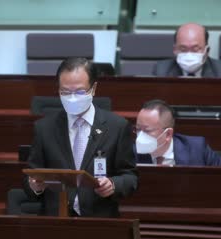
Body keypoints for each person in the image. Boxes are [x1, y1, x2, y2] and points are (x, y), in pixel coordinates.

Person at [24, 57, 138, 217]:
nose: (72, 97)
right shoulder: (44, 128)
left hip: (99, 220)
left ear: (94, 88)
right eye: (65, 92)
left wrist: (113, 184)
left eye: (79, 92)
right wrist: (35, 186)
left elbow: (130, 177)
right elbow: (31, 176)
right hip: (55, 221)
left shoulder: (117, 127)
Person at [135, 99, 221, 166]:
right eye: (138, 129)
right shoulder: (129, 154)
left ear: (168, 134)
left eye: (147, 131)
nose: (140, 137)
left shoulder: (196, 148)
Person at [152, 22, 221, 78]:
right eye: (183, 49)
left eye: (195, 49)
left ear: (207, 51)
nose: (189, 54)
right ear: (175, 50)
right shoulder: (161, 71)